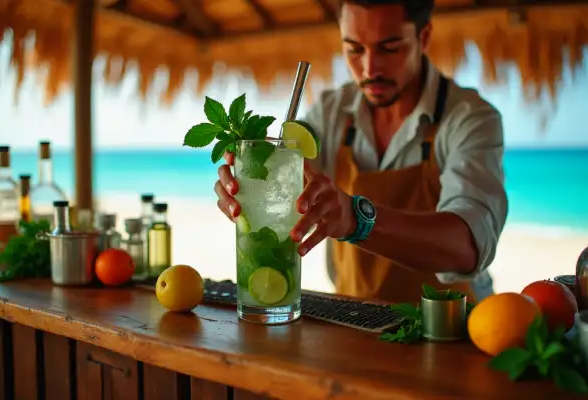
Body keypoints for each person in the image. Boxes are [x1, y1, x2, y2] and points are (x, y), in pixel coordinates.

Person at [215, 0, 508, 303]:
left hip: (452, 327)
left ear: (424, 37)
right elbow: (288, 165)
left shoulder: (471, 119)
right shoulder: (331, 112)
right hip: (354, 321)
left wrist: (356, 219)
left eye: (390, 47)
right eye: (354, 50)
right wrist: (254, 179)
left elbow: (468, 246)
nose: (370, 69)